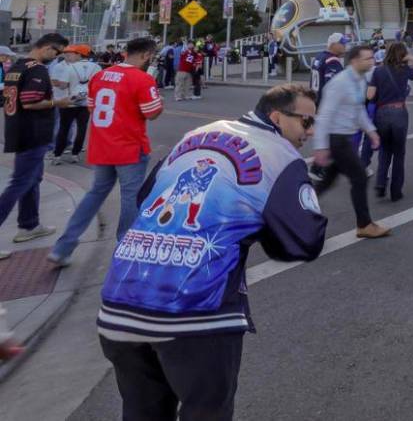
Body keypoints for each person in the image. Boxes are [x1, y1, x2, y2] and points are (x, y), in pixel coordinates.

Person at [97, 84, 328, 421]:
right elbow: (305, 240)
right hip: (195, 311)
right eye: (306, 122)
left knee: (141, 412)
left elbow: (145, 199)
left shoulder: (198, 134)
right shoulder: (280, 155)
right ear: (277, 117)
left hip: (119, 302)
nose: (311, 131)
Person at [47, 37, 164, 267]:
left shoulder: (99, 76)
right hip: (129, 147)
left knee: (95, 194)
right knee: (131, 197)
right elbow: (151, 113)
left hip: (102, 146)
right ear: (147, 55)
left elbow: (91, 106)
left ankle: (63, 246)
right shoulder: (142, 79)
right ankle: (125, 247)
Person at [0, 33, 69, 250]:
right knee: (20, 182)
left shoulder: (16, 67)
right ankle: (28, 225)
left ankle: (29, 225)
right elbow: (31, 102)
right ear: (47, 47)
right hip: (33, 133)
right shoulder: (37, 69)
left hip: (18, 130)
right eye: (57, 51)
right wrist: (58, 102)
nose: (57, 56)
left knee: (32, 178)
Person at [313, 44, 389, 238]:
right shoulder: (340, 82)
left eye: (372, 58)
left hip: (344, 138)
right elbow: (324, 114)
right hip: (336, 138)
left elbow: (358, 110)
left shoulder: (360, 81)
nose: (372, 61)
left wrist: (371, 131)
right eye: (367, 58)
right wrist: (320, 147)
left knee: (327, 182)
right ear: (354, 61)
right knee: (359, 178)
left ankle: (296, 208)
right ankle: (364, 225)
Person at [367, 42, 413, 202]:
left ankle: (380, 183)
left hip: (382, 113)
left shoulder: (378, 71)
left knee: (385, 150)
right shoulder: (405, 70)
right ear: (403, 54)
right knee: (399, 153)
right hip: (400, 112)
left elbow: (369, 95)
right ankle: (396, 191)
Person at [50, 44, 99, 163]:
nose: (69, 55)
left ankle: (57, 155)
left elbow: (63, 85)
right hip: (86, 102)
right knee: (82, 128)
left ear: (79, 55)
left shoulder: (70, 67)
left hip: (70, 102)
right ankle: (75, 154)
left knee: (64, 128)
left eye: (73, 53)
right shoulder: (97, 67)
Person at [310, 32, 347, 106]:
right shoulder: (332, 60)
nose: (345, 45)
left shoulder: (319, 57)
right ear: (333, 45)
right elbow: (333, 86)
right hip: (325, 105)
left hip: (315, 100)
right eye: (342, 43)